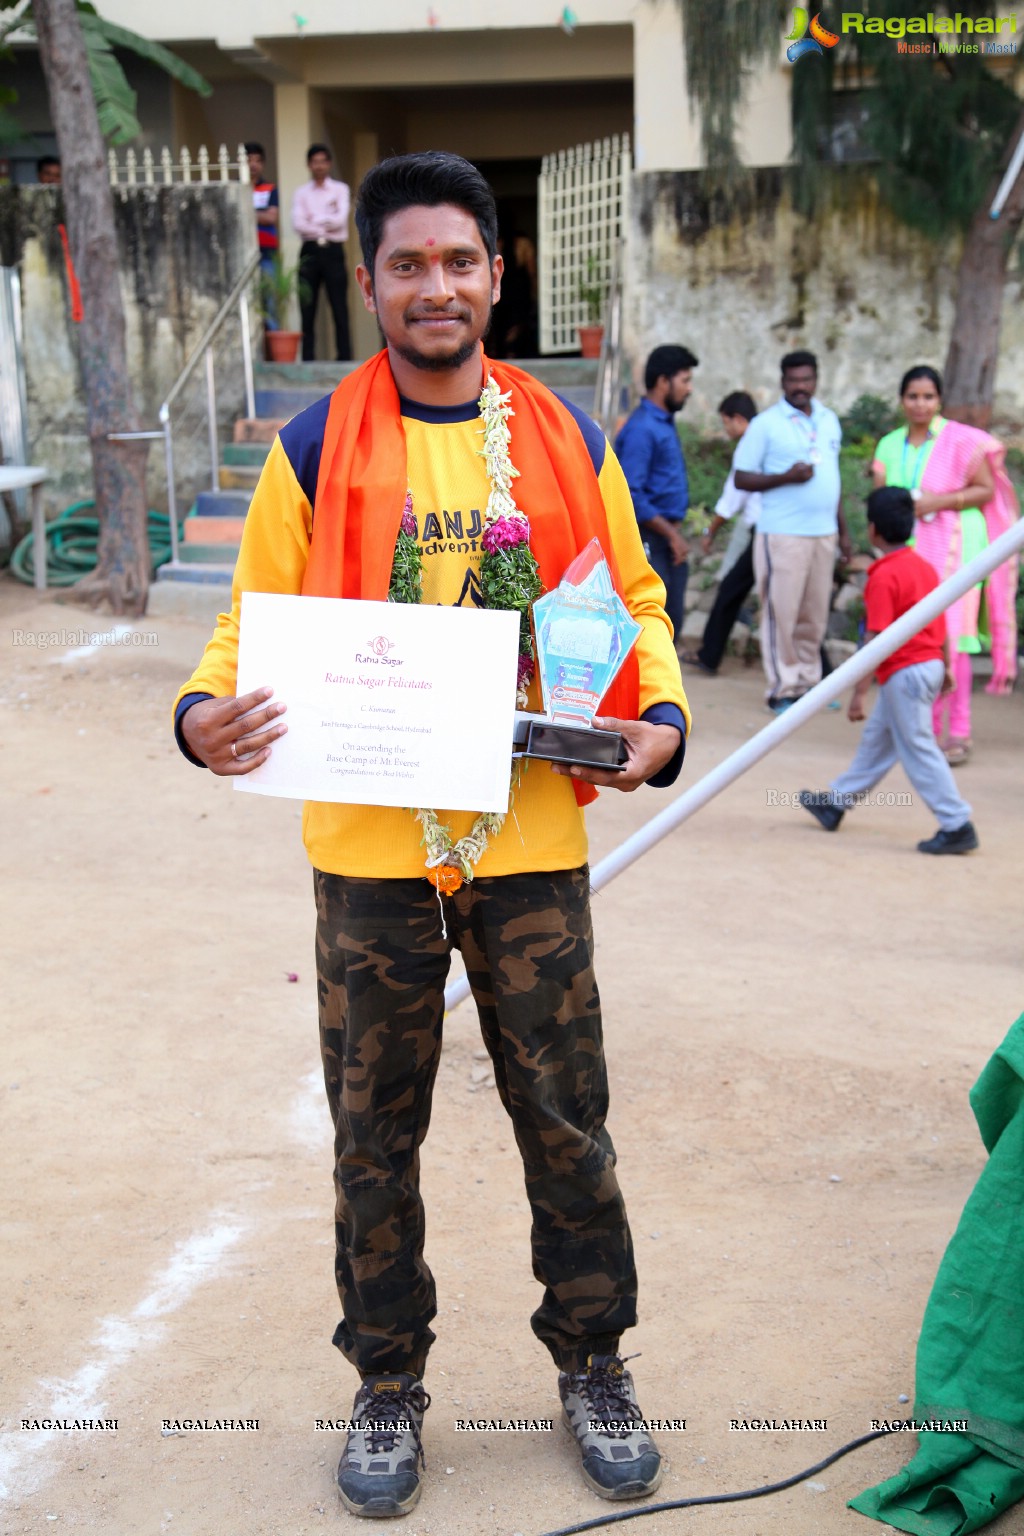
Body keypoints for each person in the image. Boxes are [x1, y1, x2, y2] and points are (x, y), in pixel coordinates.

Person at [173, 150, 690, 1519]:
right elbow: (245, 627)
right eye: (408, 263)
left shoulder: (564, 434)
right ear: (369, 281)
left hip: (525, 840)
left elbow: (633, 595)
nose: (437, 285)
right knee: (371, 1132)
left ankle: (594, 1360)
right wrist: (196, 715)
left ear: (497, 277)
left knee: (565, 1115)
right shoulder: (311, 444)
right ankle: (387, 1385)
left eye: (460, 261)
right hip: (369, 852)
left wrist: (666, 715)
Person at [798, 487, 977, 855]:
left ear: (873, 530)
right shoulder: (924, 567)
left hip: (907, 672)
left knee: (919, 748)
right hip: (922, 667)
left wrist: (860, 692)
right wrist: (944, 665)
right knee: (878, 741)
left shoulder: (882, 576)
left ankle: (956, 822)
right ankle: (835, 804)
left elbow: (875, 644)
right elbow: (941, 619)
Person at [872, 364, 1018, 766]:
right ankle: (921, 730)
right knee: (913, 638)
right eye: (913, 396)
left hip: (955, 546)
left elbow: (985, 489)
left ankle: (958, 731)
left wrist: (940, 501)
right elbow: (882, 498)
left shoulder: (960, 441)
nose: (920, 404)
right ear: (902, 400)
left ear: (939, 401)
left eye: (928, 397)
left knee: (954, 636)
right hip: (908, 550)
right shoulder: (889, 444)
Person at [733, 351, 852, 713]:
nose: (801, 387)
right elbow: (741, 477)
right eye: (794, 380)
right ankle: (781, 689)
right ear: (783, 381)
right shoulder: (766, 424)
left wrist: (844, 533)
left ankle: (809, 687)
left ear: (816, 380)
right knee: (781, 614)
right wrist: (787, 476)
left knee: (813, 615)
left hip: (824, 533)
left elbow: (833, 481)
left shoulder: (829, 420)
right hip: (782, 534)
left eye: (807, 379)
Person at [614, 344, 698, 641]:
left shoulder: (662, 421)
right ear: (664, 382)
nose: (689, 389)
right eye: (685, 381)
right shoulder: (643, 428)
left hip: (666, 538)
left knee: (671, 622)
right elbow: (630, 496)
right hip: (649, 539)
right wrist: (672, 535)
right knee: (654, 627)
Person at [680, 391, 761, 674]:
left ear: (738, 419)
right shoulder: (767, 436)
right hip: (770, 529)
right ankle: (709, 655)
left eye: (726, 423)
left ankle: (709, 655)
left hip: (765, 531)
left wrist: (709, 530)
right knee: (735, 591)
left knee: (730, 590)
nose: (726, 430)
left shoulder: (751, 444)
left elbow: (731, 499)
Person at [291, 143, 351, 361]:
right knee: (307, 306)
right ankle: (308, 358)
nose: (319, 166)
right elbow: (298, 224)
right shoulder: (301, 193)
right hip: (309, 251)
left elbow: (340, 220)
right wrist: (325, 221)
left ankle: (344, 357)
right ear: (309, 165)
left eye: (323, 161)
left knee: (339, 306)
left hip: (333, 251)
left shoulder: (340, 189)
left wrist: (314, 221)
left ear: (329, 163)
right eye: (314, 162)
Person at [245, 141, 279, 331]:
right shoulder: (235, 188)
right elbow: (264, 216)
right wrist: (259, 214)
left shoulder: (270, 189)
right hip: (242, 256)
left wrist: (247, 212)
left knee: (270, 304)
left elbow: (271, 217)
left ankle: (273, 355)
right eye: (249, 159)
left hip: (266, 254)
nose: (253, 165)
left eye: (257, 160)